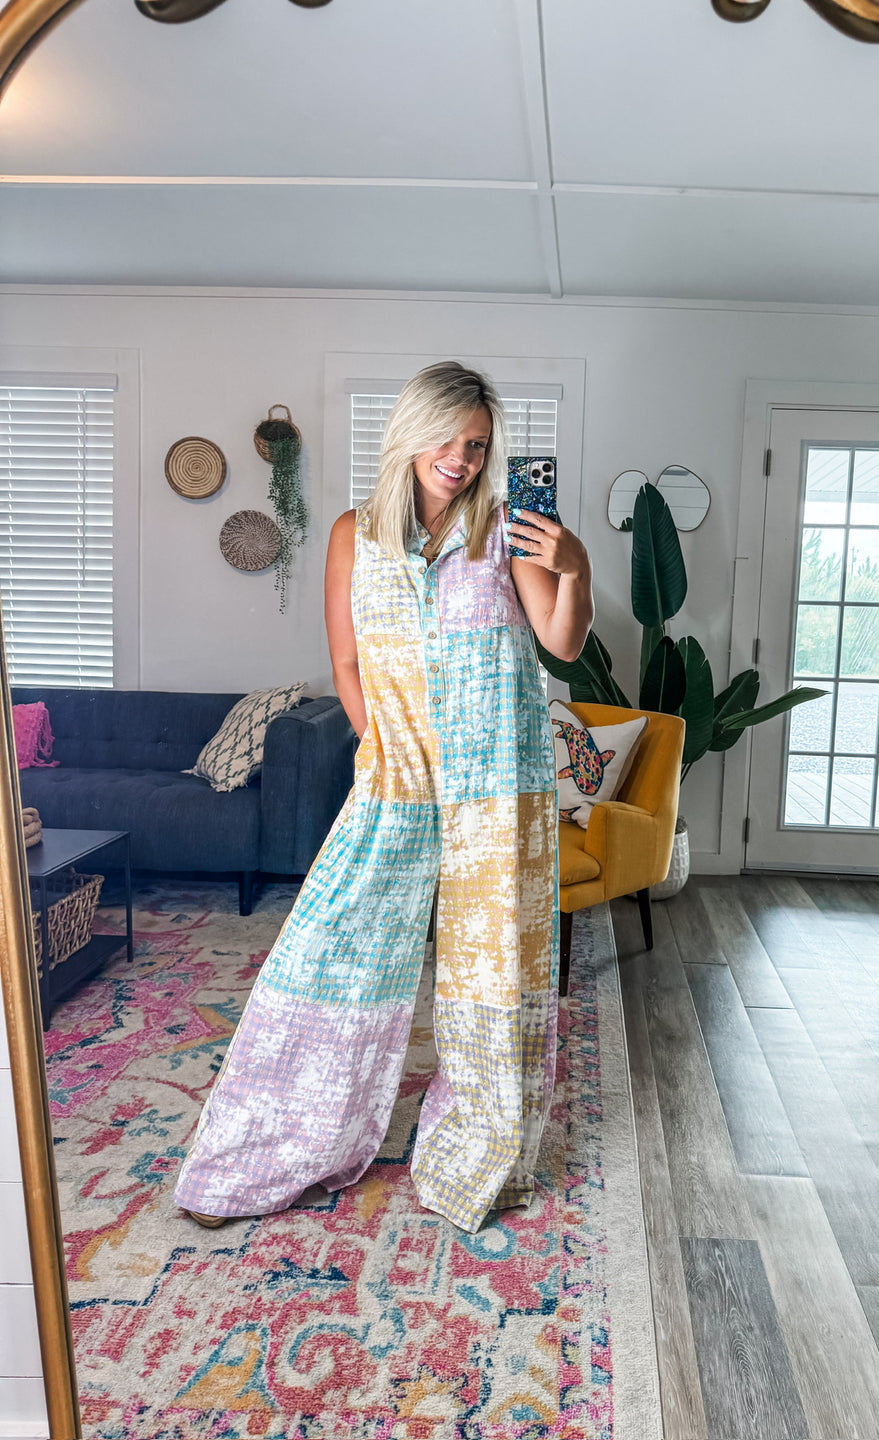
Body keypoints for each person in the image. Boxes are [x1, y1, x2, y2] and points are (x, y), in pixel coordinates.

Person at [173, 361, 592, 1234]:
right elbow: (347, 663)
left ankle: (478, 1150)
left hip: (497, 784)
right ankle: (285, 1141)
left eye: (477, 443)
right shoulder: (351, 535)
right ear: (410, 431)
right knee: (332, 949)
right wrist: (384, 746)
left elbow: (560, 642)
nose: (461, 457)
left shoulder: (504, 530)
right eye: (448, 437)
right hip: (398, 778)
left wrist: (575, 567)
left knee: (493, 974)